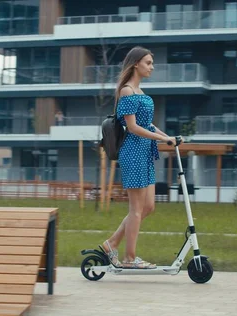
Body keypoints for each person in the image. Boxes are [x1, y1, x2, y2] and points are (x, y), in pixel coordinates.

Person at [101, 46, 182, 269]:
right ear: (136, 64)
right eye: (148, 63)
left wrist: (168, 137)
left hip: (145, 153)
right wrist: (162, 139)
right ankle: (129, 258)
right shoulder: (127, 91)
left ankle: (112, 243)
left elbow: (148, 125)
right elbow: (133, 127)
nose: (152, 67)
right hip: (133, 153)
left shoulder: (140, 92)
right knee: (136, 209)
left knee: (148, 207)